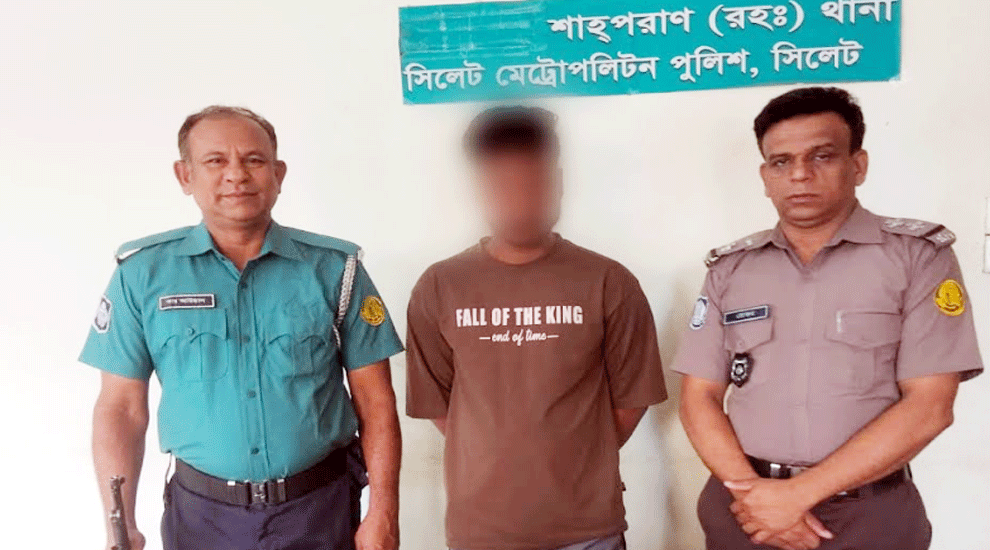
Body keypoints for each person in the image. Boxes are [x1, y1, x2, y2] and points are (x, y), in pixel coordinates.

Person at [81, 106, 405, 550]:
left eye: (254, 160)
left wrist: (384, 511)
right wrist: (120, 523)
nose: (236, 174)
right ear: (185, 175)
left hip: (318, 511)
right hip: (201, 519)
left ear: (278, 174)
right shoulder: (141, 275)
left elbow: (376, 401)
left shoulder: (335, 270)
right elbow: (121, 409)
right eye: (215, 160)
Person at [674, 87, 984, 550]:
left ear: (858, 165)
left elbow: (930, 406)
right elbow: (698, 397)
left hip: (868, 517)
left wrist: (796, 497)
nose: (800, 174)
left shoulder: (918, 257)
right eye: (781, 162)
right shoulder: (731, 269)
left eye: (821, 156)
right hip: (744, 509)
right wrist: (756, 500)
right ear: (765, 176)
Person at [404, 106, 667, 550]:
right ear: (479, 190)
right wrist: (501, 459)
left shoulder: (609, 282)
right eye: (502, 186)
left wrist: (573, 460)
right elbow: (441, 406)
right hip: (481, 531)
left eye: (533, 184)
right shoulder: (440, 286)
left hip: (587, 531)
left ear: (558, 184)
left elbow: (631, 399)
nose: (520, 201)